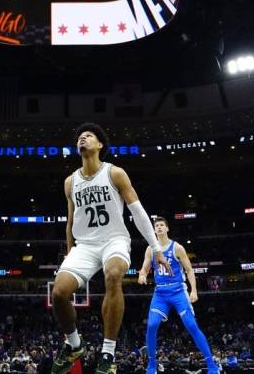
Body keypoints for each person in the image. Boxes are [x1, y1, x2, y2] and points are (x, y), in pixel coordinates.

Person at [50, 123, 171, 374]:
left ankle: (108, 352)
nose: (82, 138)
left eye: (89, 136)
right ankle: (74, 345)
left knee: (114, 275)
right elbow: (71, 221)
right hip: (84, 245)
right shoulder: (70, 181)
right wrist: (70, 251)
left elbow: (137, 212)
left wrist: (155, 248)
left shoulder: (115, 173)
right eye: (79, 137)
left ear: (100, 145)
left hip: (114, 239)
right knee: (59, 293)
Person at [137, 217, 218, 374]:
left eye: (162, 225)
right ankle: (152, 365)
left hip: (178, 291)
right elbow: (144, 269)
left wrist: (193, 290)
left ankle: (211, 365)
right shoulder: (150, 249)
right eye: (157, 226)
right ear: (154, 230)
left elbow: (189, 270)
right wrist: (142, 276)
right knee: (151, 325)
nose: (159, 227)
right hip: (160, 292)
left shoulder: (177, 248)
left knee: (191, 325)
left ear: (167, 228)